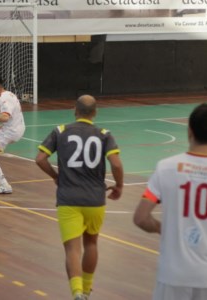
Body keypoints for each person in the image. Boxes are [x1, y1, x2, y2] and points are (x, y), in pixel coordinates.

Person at [35, 95, 124, 300]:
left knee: (72, 250)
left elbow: (40, 159)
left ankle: (76, 293)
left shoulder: (61, 131)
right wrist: (119, 186)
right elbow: (117, 164)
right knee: (91, 244)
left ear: (74, 110)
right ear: (95, 112)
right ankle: (86, 289)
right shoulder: (104, 134)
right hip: (95, 198)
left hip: (69, 198)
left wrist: (56, 176)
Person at [133, 103, 207, 300]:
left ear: (189, 131)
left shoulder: (167, 167)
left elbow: (141, 218)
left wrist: (163, 228)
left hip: (173, 274)